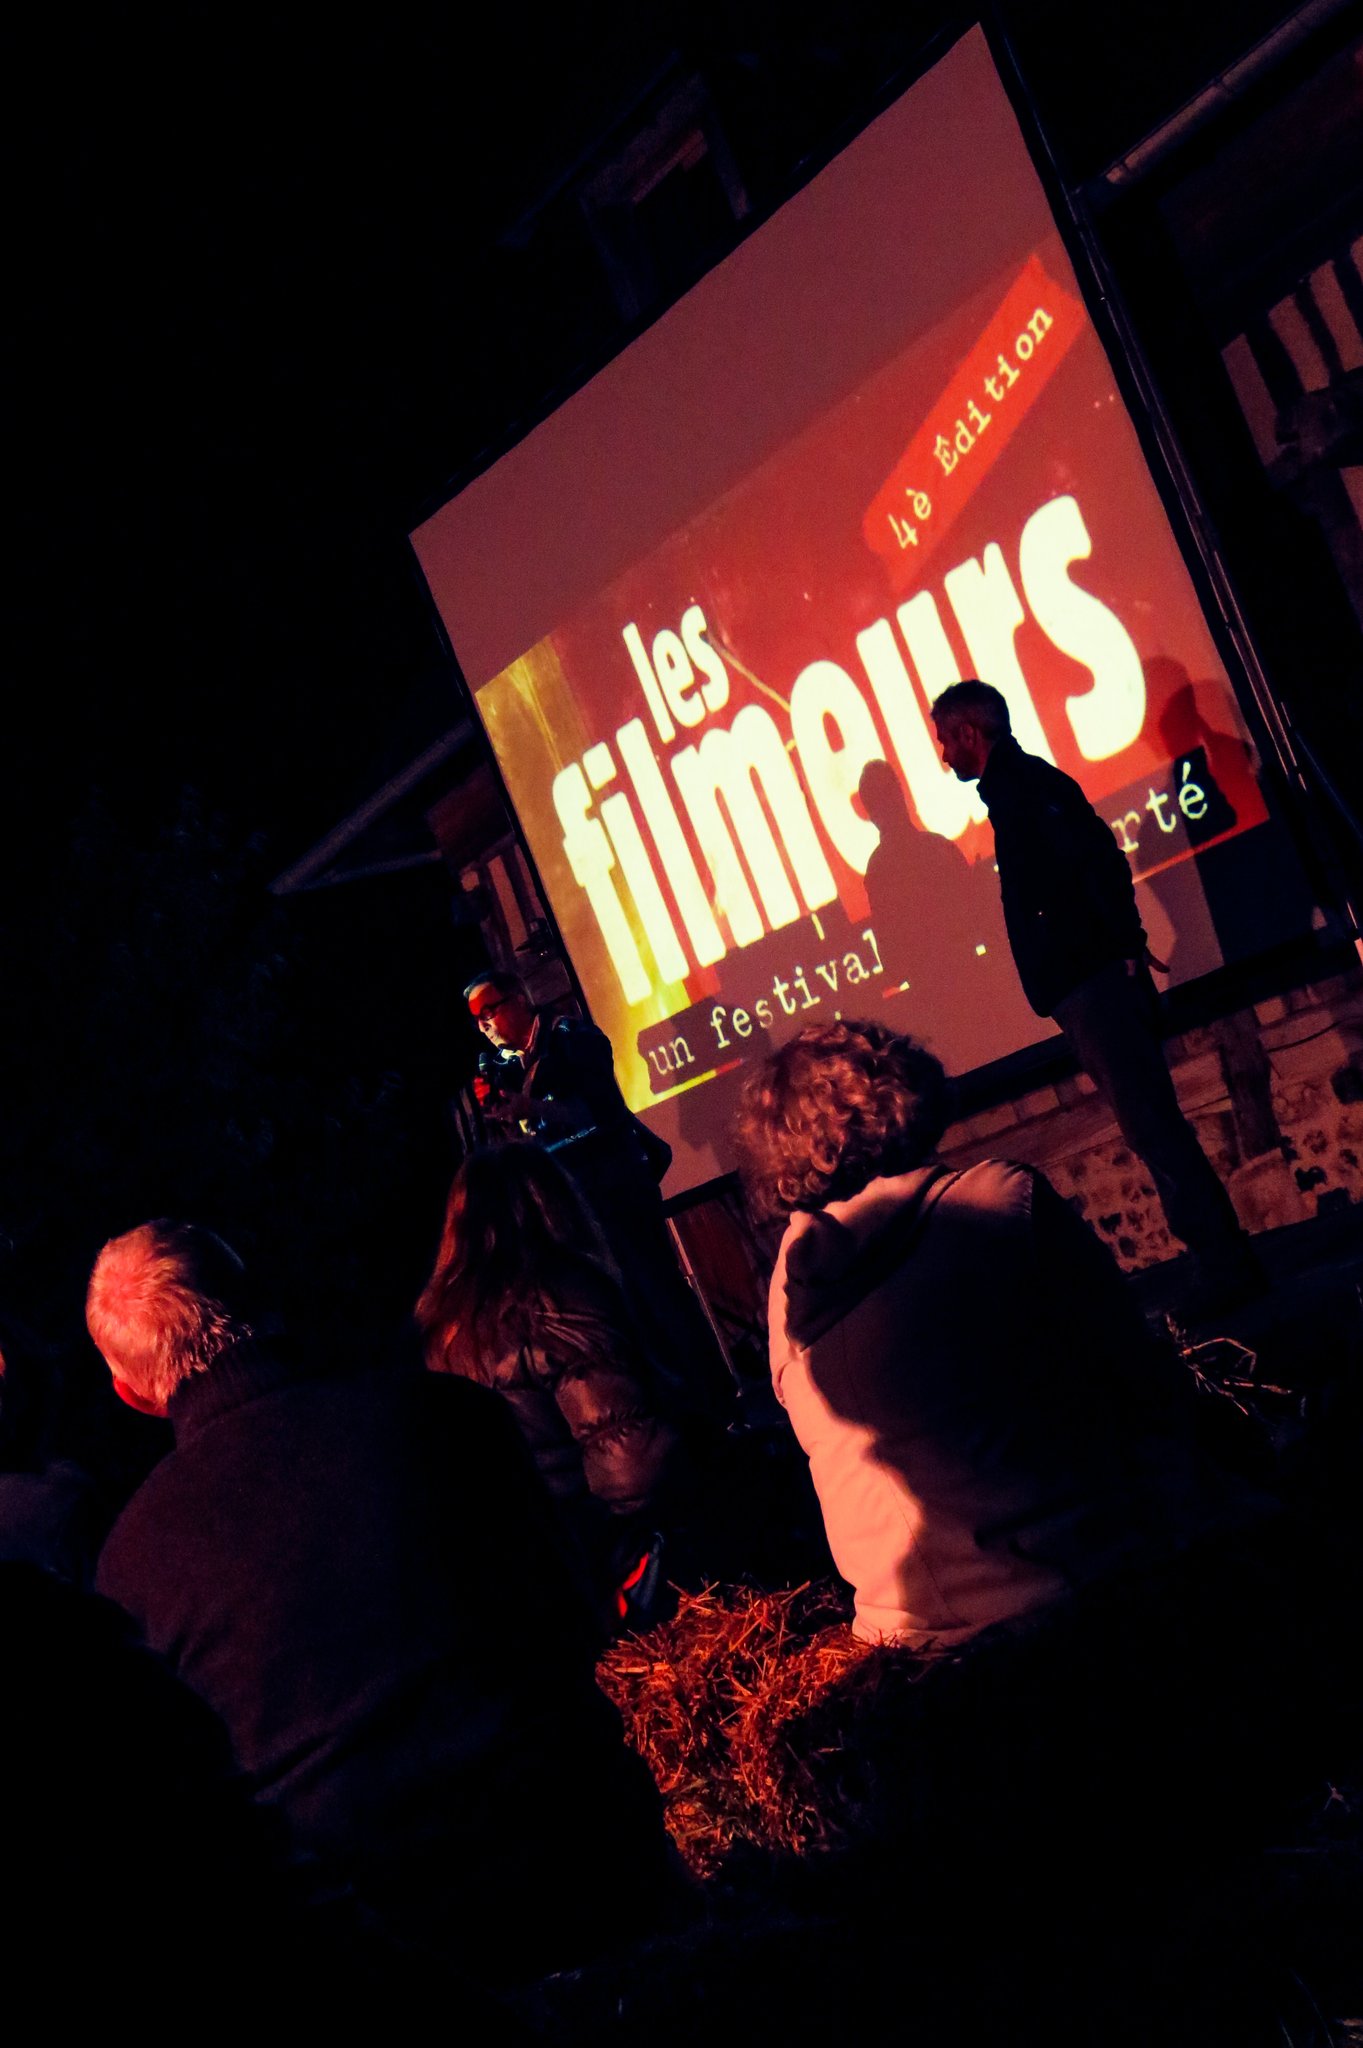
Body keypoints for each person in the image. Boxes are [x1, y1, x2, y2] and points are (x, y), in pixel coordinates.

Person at [87, 1219, 676, 1979]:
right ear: (257, 1301)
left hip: (377, 1949)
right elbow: (575, 1619)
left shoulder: (133, 1565)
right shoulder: (450, 1416)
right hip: (578, 1857)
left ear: (131, 1392)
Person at [732, 1020, 1266, 1647]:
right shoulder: (1000, 1200)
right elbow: (1140, 1381)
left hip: (899, 1636)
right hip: (1067, 1592)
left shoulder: (787, 1290)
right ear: (899, 1093)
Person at [930, 679, 1264, 1312]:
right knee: (1151, 1125)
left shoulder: (1026, 789)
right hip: (1089, 980)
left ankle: (1224, 1266)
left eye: (946, 739)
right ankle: (1223, 1262)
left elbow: (1096, 865)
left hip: (1094, 984)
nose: (944, 755)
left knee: (1152, 1126)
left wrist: (1120, 944)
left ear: (970, 732)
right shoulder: (1020, 789)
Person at [416, 1143, 680, 1615]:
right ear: (555, 1202)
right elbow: (631, 1465)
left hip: (528, 1576)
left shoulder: (443, 1332)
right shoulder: (559, 1297)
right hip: (606, 1560)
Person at [465, 969, 733, 1416]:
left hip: (616, 1191)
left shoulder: (573, 1039)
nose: (484, 1025)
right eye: (476, 1019)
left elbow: (603, 1112)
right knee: (624, 1311)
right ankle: (675, 1411)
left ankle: (717, 1405)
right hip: (575, 1210)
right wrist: (507, 1119)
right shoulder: (511, 1067)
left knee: (658, 1294)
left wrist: (533, 1107)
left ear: (519, 999)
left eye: (488, 1011)